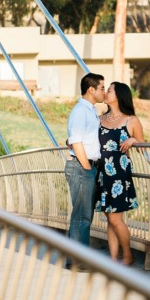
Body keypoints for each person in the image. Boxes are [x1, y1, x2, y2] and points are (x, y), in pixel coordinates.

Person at [95, 81, 144, 266]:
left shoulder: (131, 120)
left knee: (115, 218)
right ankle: (114, 259)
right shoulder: (100, 118)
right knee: (109, 217)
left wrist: (133, 140)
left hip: (119, 175)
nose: (106, 93)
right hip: (101, 174)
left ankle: (128, 255)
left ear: (119, 96)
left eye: (109, 91)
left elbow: (142, 146)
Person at [65, 72, 106, 255]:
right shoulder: (81, 111)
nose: (104, 92)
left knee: (84, 216)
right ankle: (77, 259)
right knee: (81, 216)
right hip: (82, 167)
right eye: (102, 88)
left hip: (87, 167)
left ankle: (79, 257)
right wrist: (88, 169)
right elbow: (76, 141)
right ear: (91, 89)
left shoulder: (90, 111)